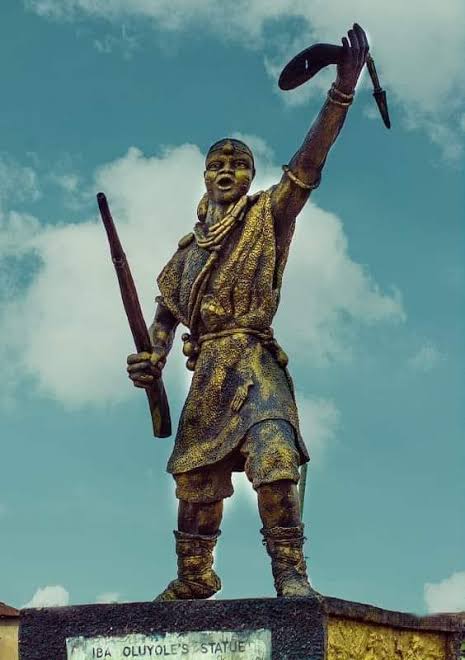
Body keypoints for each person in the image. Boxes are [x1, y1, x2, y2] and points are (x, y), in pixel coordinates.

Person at [127, 23, 370, 600]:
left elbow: (307, 166)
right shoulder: (184, 257)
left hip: (256, 364)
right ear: (205, 176)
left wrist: (341, 93)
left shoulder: (267, 217)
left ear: (251, 177)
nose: (227, 170)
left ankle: (291, 573)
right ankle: (195, 576)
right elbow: (163, 322)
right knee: (195, 483)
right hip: (210, 373)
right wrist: (150, 359)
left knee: (275, 457)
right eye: (218, 163)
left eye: (239, 164)